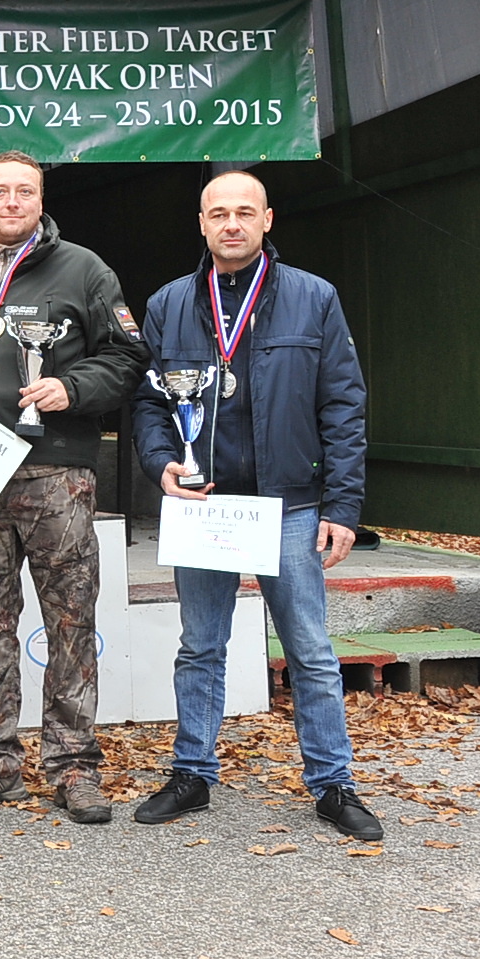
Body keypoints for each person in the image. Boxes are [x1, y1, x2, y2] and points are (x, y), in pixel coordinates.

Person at [131, 171, 381, 841]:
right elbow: (150, 402)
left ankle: (333, 784)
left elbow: (343, 406)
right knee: (200, 646)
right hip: (205, 504)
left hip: (289, 505)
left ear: (267, 220)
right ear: (202, 223)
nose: (232, 223)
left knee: (310, 650)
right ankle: (192, 773)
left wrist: (342, 505)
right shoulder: (169, 303)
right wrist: (161, 464)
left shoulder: (313, 297)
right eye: (219, 213)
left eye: (245, 212)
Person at [0, 151, 146, 824]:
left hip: (57, 473)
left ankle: (74, 766)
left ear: (41, 202)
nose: (11, 202)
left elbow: (128, 356)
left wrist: (71, 387)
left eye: (24, 191)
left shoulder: (85, 270)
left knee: (70, 621)